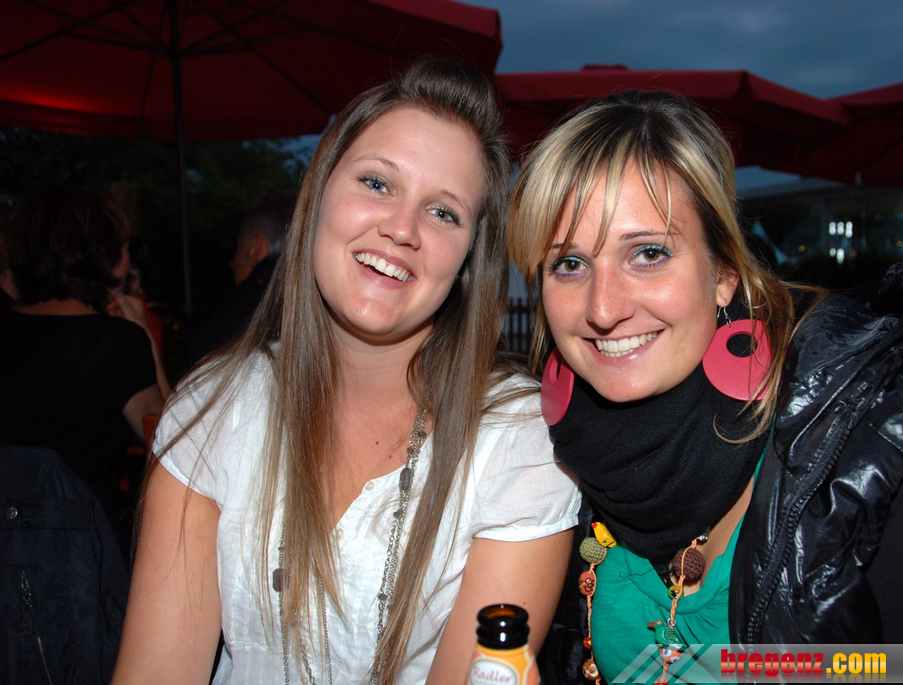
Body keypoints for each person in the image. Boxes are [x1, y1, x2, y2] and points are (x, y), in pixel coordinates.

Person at [506, 90, 903, 682]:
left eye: (648, 253)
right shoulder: (556, 455)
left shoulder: (883, 442)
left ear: (724, 274)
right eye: (570, 264)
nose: (603, 309)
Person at [112, 57, 580, 685]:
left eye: (444, 212)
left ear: (470, 257)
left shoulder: (517, 444)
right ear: (318, 196)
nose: (401, 229)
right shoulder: (214, 408)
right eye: (377, 183)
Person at [0, 189, 164, 528]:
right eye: (123, 248)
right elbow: (168, 442)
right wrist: (146, 339)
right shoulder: (115, 343)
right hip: (79, 545)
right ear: (103, 257)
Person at [186, 190, 297, 367]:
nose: (233, 265)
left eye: (237, 251)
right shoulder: (310, 306)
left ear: (255, 247)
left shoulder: (222, 322)